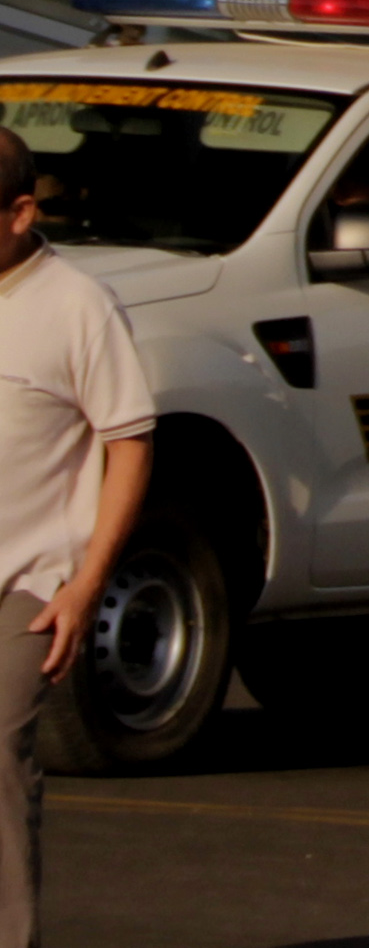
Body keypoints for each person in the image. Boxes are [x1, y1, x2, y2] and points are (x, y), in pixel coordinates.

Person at [0, 126, 148, 948]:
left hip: (26, 580)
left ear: (21, 211)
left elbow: (129, 438)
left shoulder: (77, 304)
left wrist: (87, 582)